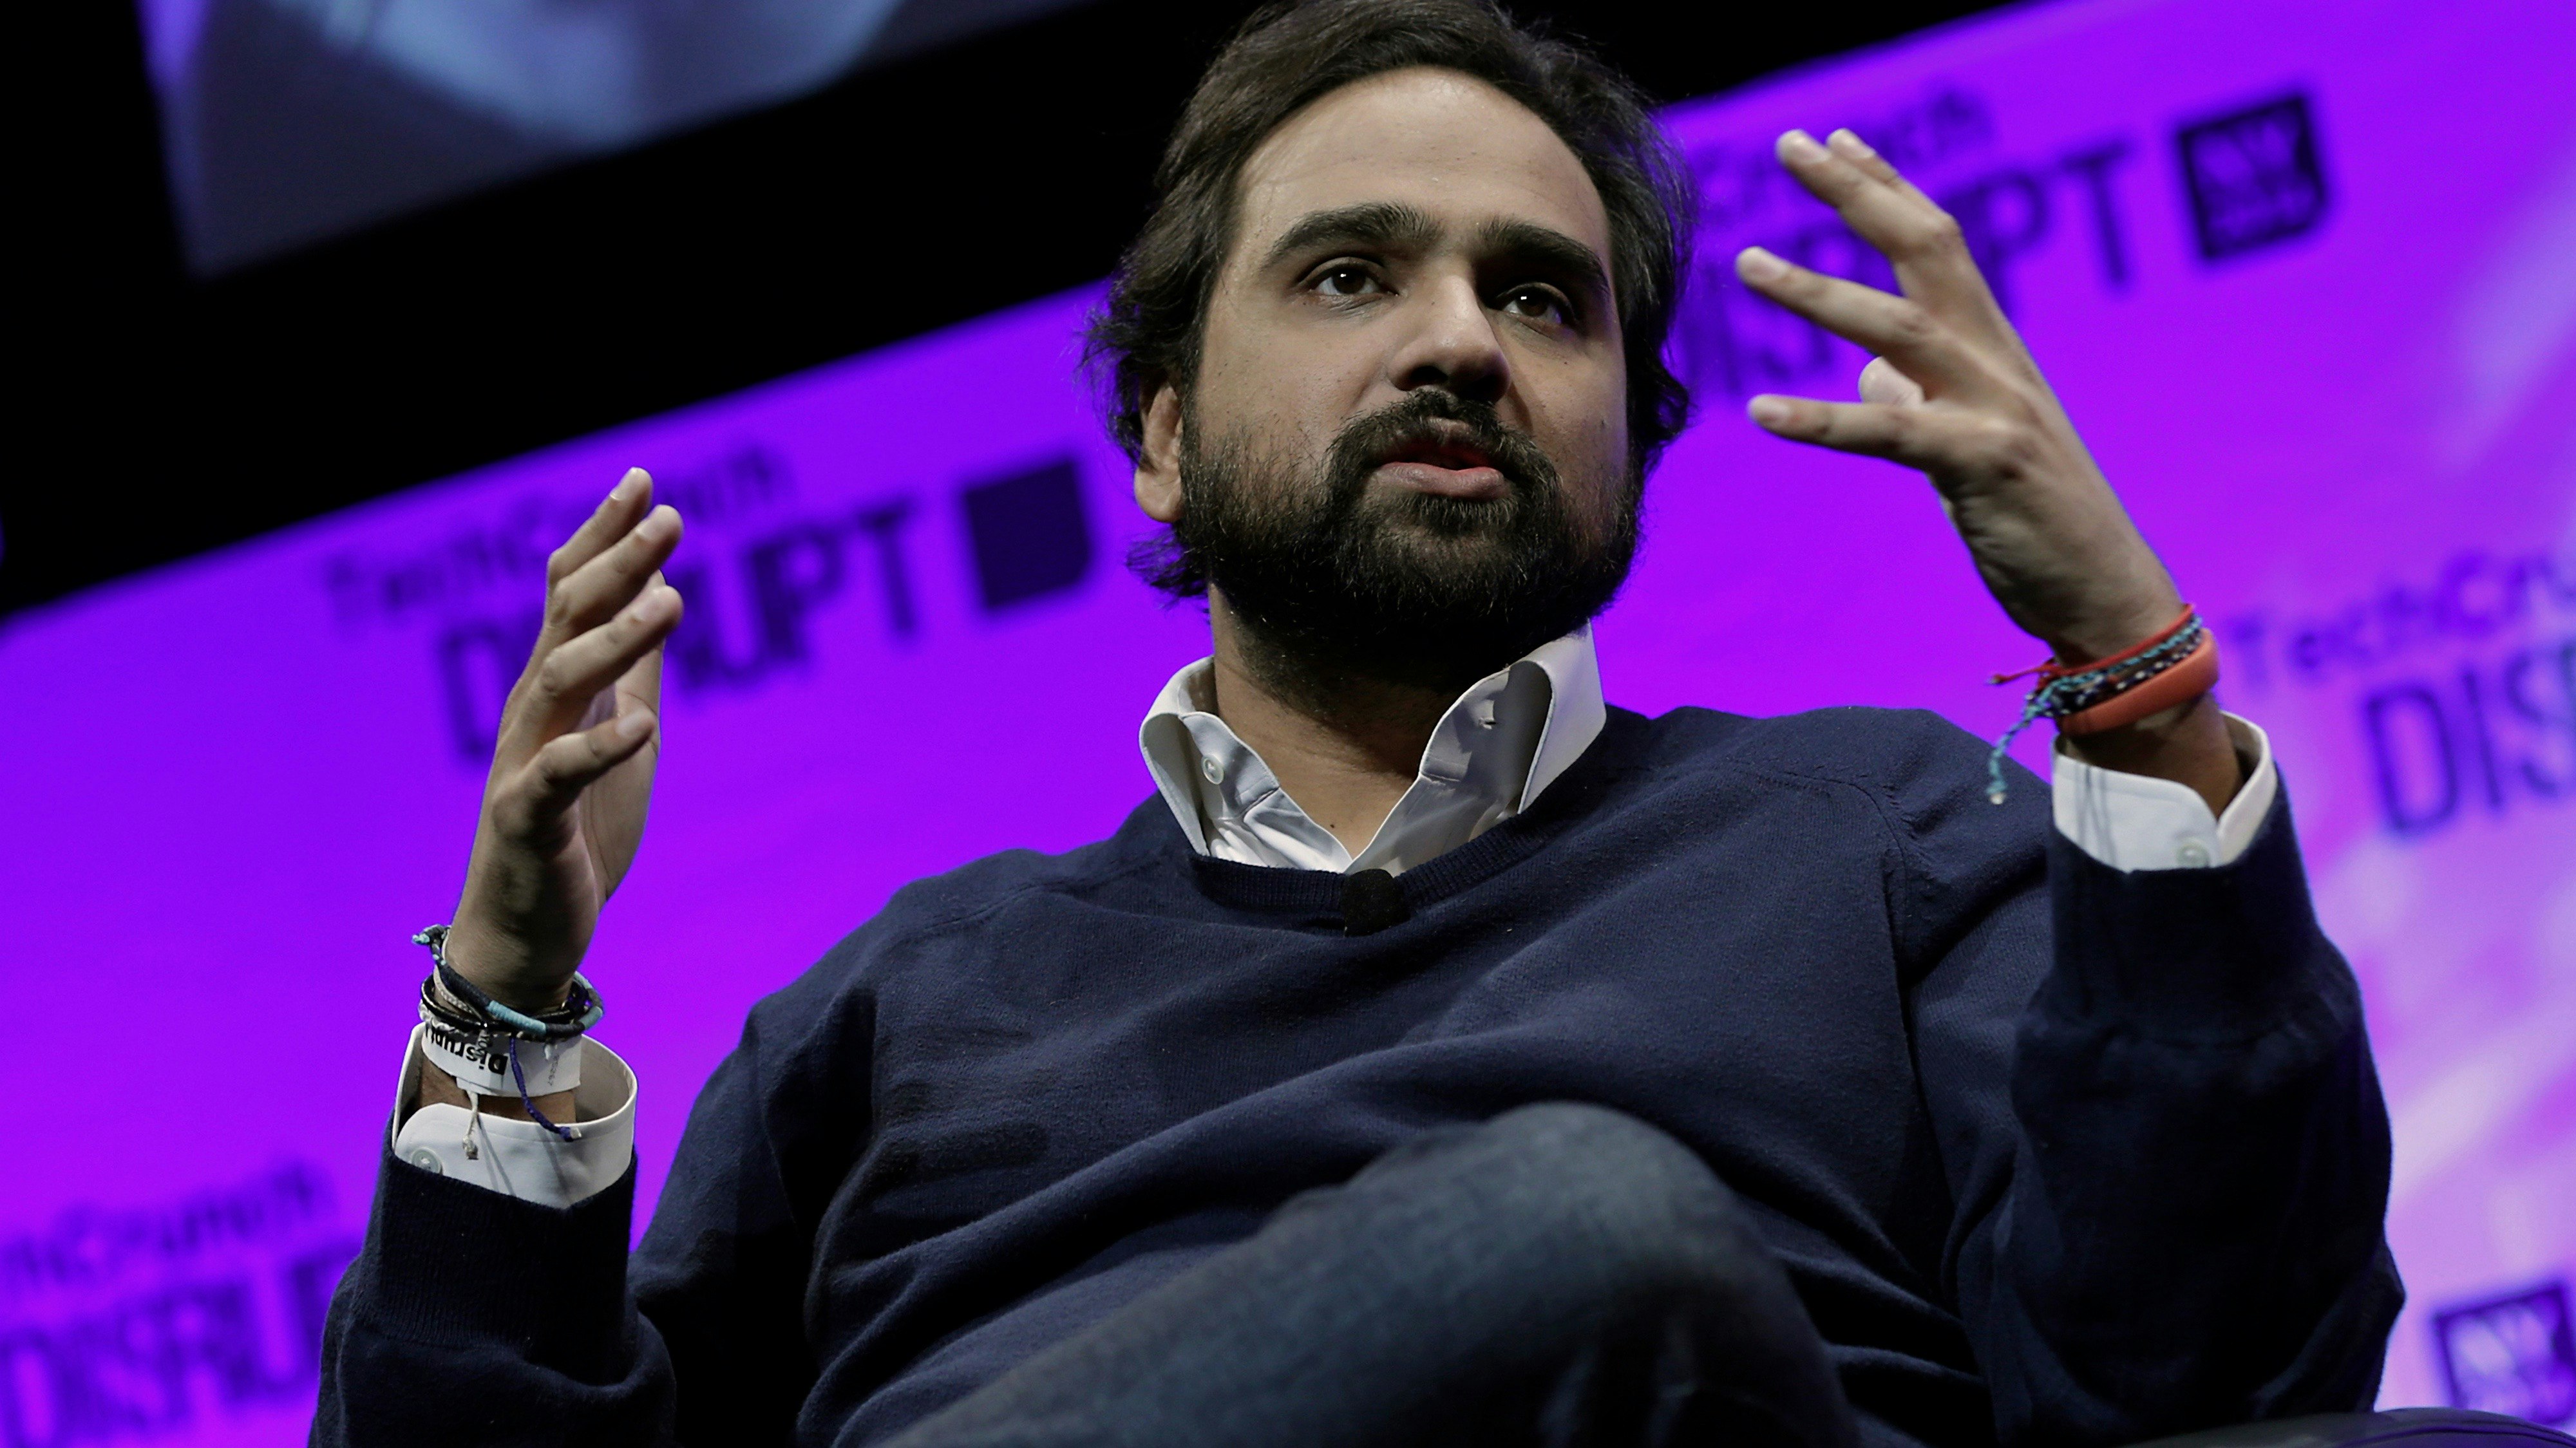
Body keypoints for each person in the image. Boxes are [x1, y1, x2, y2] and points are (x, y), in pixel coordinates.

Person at [312, 2, 2402, 1444]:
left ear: (1631, 440)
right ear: (1159, 442)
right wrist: (502, 1004)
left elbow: (2210, 1377)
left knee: (1581, 1235)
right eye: (1346, 277)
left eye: (1543, 296)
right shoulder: (899, 1004)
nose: (1458, 342)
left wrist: (2135, 676)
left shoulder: (1870, 829)